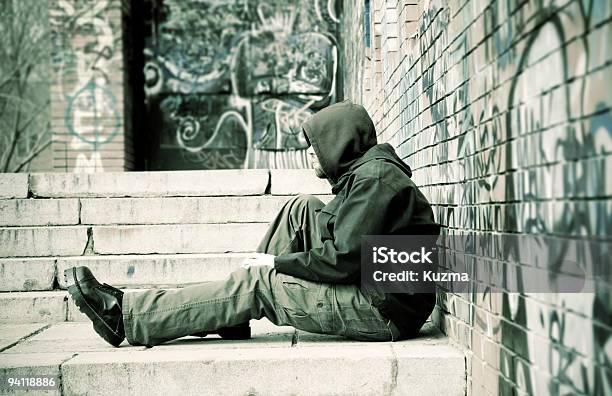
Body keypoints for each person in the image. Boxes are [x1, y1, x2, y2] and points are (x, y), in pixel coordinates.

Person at [65, 100, 439, 347]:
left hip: (383, 311)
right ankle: (232, 309)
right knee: (302, 207)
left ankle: (127, 317)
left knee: (260, 281)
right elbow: (346, 242)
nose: (310, 152)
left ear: (339, 142)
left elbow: (342, 261)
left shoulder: (374, 180)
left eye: (316, 144)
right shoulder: (369, 173)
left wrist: (276, 264)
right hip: (382, 293)